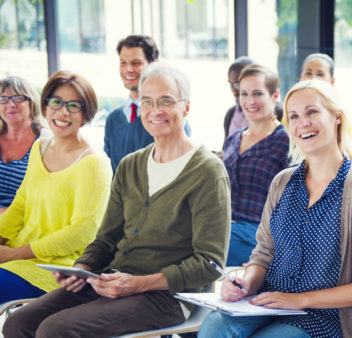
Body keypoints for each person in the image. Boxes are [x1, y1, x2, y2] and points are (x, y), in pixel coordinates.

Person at [3, 63, 231, 337]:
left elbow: (210, 263)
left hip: (167, 296)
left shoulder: (207, 170)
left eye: (166, 101)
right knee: (18, 323)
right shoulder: (130, 165)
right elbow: (105, 238)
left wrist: (138, 284)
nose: (155, 110)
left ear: (186, 107)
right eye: (147, 101)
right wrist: (82, 268)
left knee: (55, 330)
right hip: (110, 280)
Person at [198, 79, 352, 338]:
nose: (302, 122)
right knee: (213, 326)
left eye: (312, 112)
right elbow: (263, 254)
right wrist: (246, 283)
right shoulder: (282, 182)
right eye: (293, 116)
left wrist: (301, 300)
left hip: (326, 317)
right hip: (269, 303)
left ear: (337, 117)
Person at [0, 71, 112, 304]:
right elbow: (21, 205)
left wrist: (13, 254)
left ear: (86, 114)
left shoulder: (94, 162)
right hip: (16, 256)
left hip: (55, 269)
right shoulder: (40, 147)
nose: (63, 112)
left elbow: (82, 232)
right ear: (46, 105)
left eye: (73, 105)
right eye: (56, 102)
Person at [223, 64, 289, 266]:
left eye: (258, 93)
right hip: (225, 226)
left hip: (260, 234)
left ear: (274, 95)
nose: (249, 101)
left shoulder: (286, 141)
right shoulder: (233, 139)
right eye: (244, 94)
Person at [103, 34, 191, 172]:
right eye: (123, 63)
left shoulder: (167, 118)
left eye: (136, 63)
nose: (128, 69)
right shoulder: (112, 119)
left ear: (154, 64)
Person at [0, 76, 47, 214]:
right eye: (3, 99)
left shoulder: (46, 141)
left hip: (23, 221)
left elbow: (45, 198)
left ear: (31, 102)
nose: (10, 104)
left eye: (17, 98)